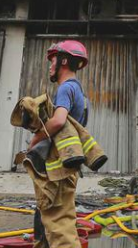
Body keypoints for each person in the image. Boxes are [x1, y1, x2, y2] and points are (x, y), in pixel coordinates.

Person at [27, 40, 89, 248]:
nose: (50, 66)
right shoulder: (78, 91)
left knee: (59, 226)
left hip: (59, 170)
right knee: (48, 217)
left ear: (63, 61)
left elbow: (59, 120)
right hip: (66, 167)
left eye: (53, 61)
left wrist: (35, 140)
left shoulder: (66, 88)